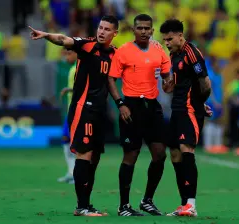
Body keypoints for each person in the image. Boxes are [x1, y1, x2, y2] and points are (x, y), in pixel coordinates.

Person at [29, 15, 119, 216]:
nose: (102, 31)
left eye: (107, 29)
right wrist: (46, 35)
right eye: (100, 27)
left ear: (115, 33)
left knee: (94, 158)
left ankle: (86, 204)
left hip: (99, 111)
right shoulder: (87, 45)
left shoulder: (115, 54)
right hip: (83, 108)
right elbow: (63, 39)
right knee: (84, 154)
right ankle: (82, 206)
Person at [108, 14, 173, 216]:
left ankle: (147, 200)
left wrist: (168, 82)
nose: (144, 31)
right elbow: (111, 80)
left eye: (147, 28)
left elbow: (166, 75)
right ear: (133, 30)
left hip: (152, 107)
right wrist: (120, 104)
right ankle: (124, 205)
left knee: (160, 154)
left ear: (152, 31)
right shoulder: (124, 51)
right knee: (131, 155)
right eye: (140, 28)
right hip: (131, 107)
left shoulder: (158, 50)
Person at [160, 19, 211, 217]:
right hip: (177, 109)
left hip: (190, 110)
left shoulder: (192, 53)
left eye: (170, 39)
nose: (167, 42)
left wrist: (199, 104)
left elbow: (205, 83)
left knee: (186, 149)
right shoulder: (174, 54)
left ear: (180, 36)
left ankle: (191, 203)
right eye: (165, 39)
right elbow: (181, 81)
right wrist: (169, 86)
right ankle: (183, 204)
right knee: (174, 153)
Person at [57, 49, 77, 184]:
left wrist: (69, 89)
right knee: (66, 139)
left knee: (76, 143)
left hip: (79, 110)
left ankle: (77, 174)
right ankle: (71, 172)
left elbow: (87, 87)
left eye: (69, 53)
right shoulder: (73, 68)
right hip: (71, 109)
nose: (67, 56)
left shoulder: (80, 68)